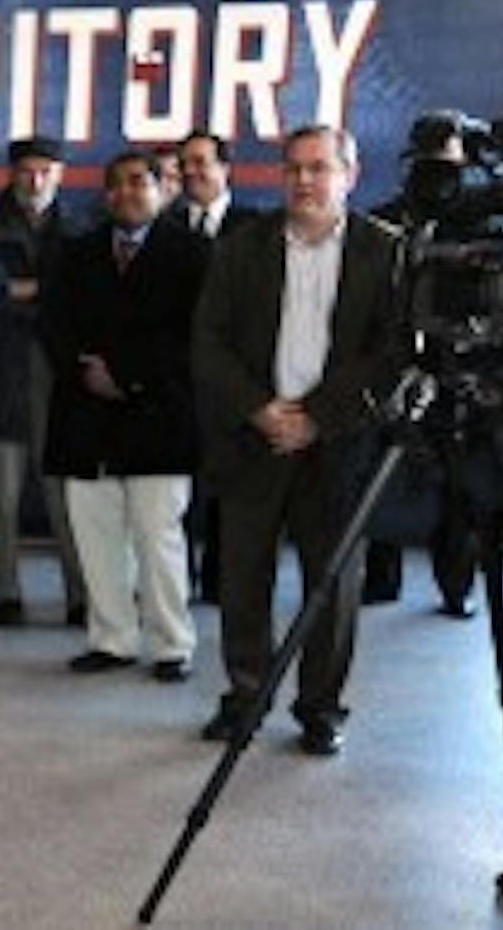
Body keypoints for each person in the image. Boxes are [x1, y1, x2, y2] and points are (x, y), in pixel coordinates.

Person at [194, 124, 399, 757]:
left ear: (349, 175)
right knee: (242, 578)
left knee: (332, 585)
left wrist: (316, 418)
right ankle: (245, 697)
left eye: (319, 168)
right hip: (254, 438)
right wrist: (261, 410)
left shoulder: (386, 251)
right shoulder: (242, 247)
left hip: (338, 444)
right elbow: (209, 340)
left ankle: (321, 708)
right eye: (294, 169)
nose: (305, 180)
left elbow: (391, 352)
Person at [44, 152, 208, 682]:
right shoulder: (78, 251)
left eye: (138, 182)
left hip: (159, 416)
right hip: (86, 416)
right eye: (114, 184)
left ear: (163, 188)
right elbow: (52, 324)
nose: (126, 193)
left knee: (158, 539)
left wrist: (128, 375)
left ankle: (171, 645)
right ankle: (112, 638)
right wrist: (84, 369)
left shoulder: (194, 253)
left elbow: (196, 336)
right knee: (97, 539)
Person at [0, 137, 87, 627]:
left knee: (68, 496)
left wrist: (27, 292)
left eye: (45, 172)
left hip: (60, 372)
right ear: (11, 175)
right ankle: (5, 593)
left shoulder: (77, 232)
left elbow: (74, 298)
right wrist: (41, 294)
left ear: (60, 176)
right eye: (28, 171)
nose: (36, 181)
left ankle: (79, 595)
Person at [357, 110, 480, 617]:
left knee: (459, 482)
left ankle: (457, 584)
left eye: (448, 165)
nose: (439, 177)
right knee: (380, 468)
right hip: (394, 363)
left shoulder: (477, 220)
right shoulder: (383, 220)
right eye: (430, 163)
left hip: (460, 367)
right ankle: (380, 575)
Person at [163, 129, 263, 607]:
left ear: (226, 168)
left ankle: (223, 580)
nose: (193, 172)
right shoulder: (165, 227)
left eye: (202, 162)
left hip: (233, 377)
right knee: (175, 491)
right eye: (185, 164)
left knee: (231, 487)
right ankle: (174, 581)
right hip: (176, 380)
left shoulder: (255, 228)